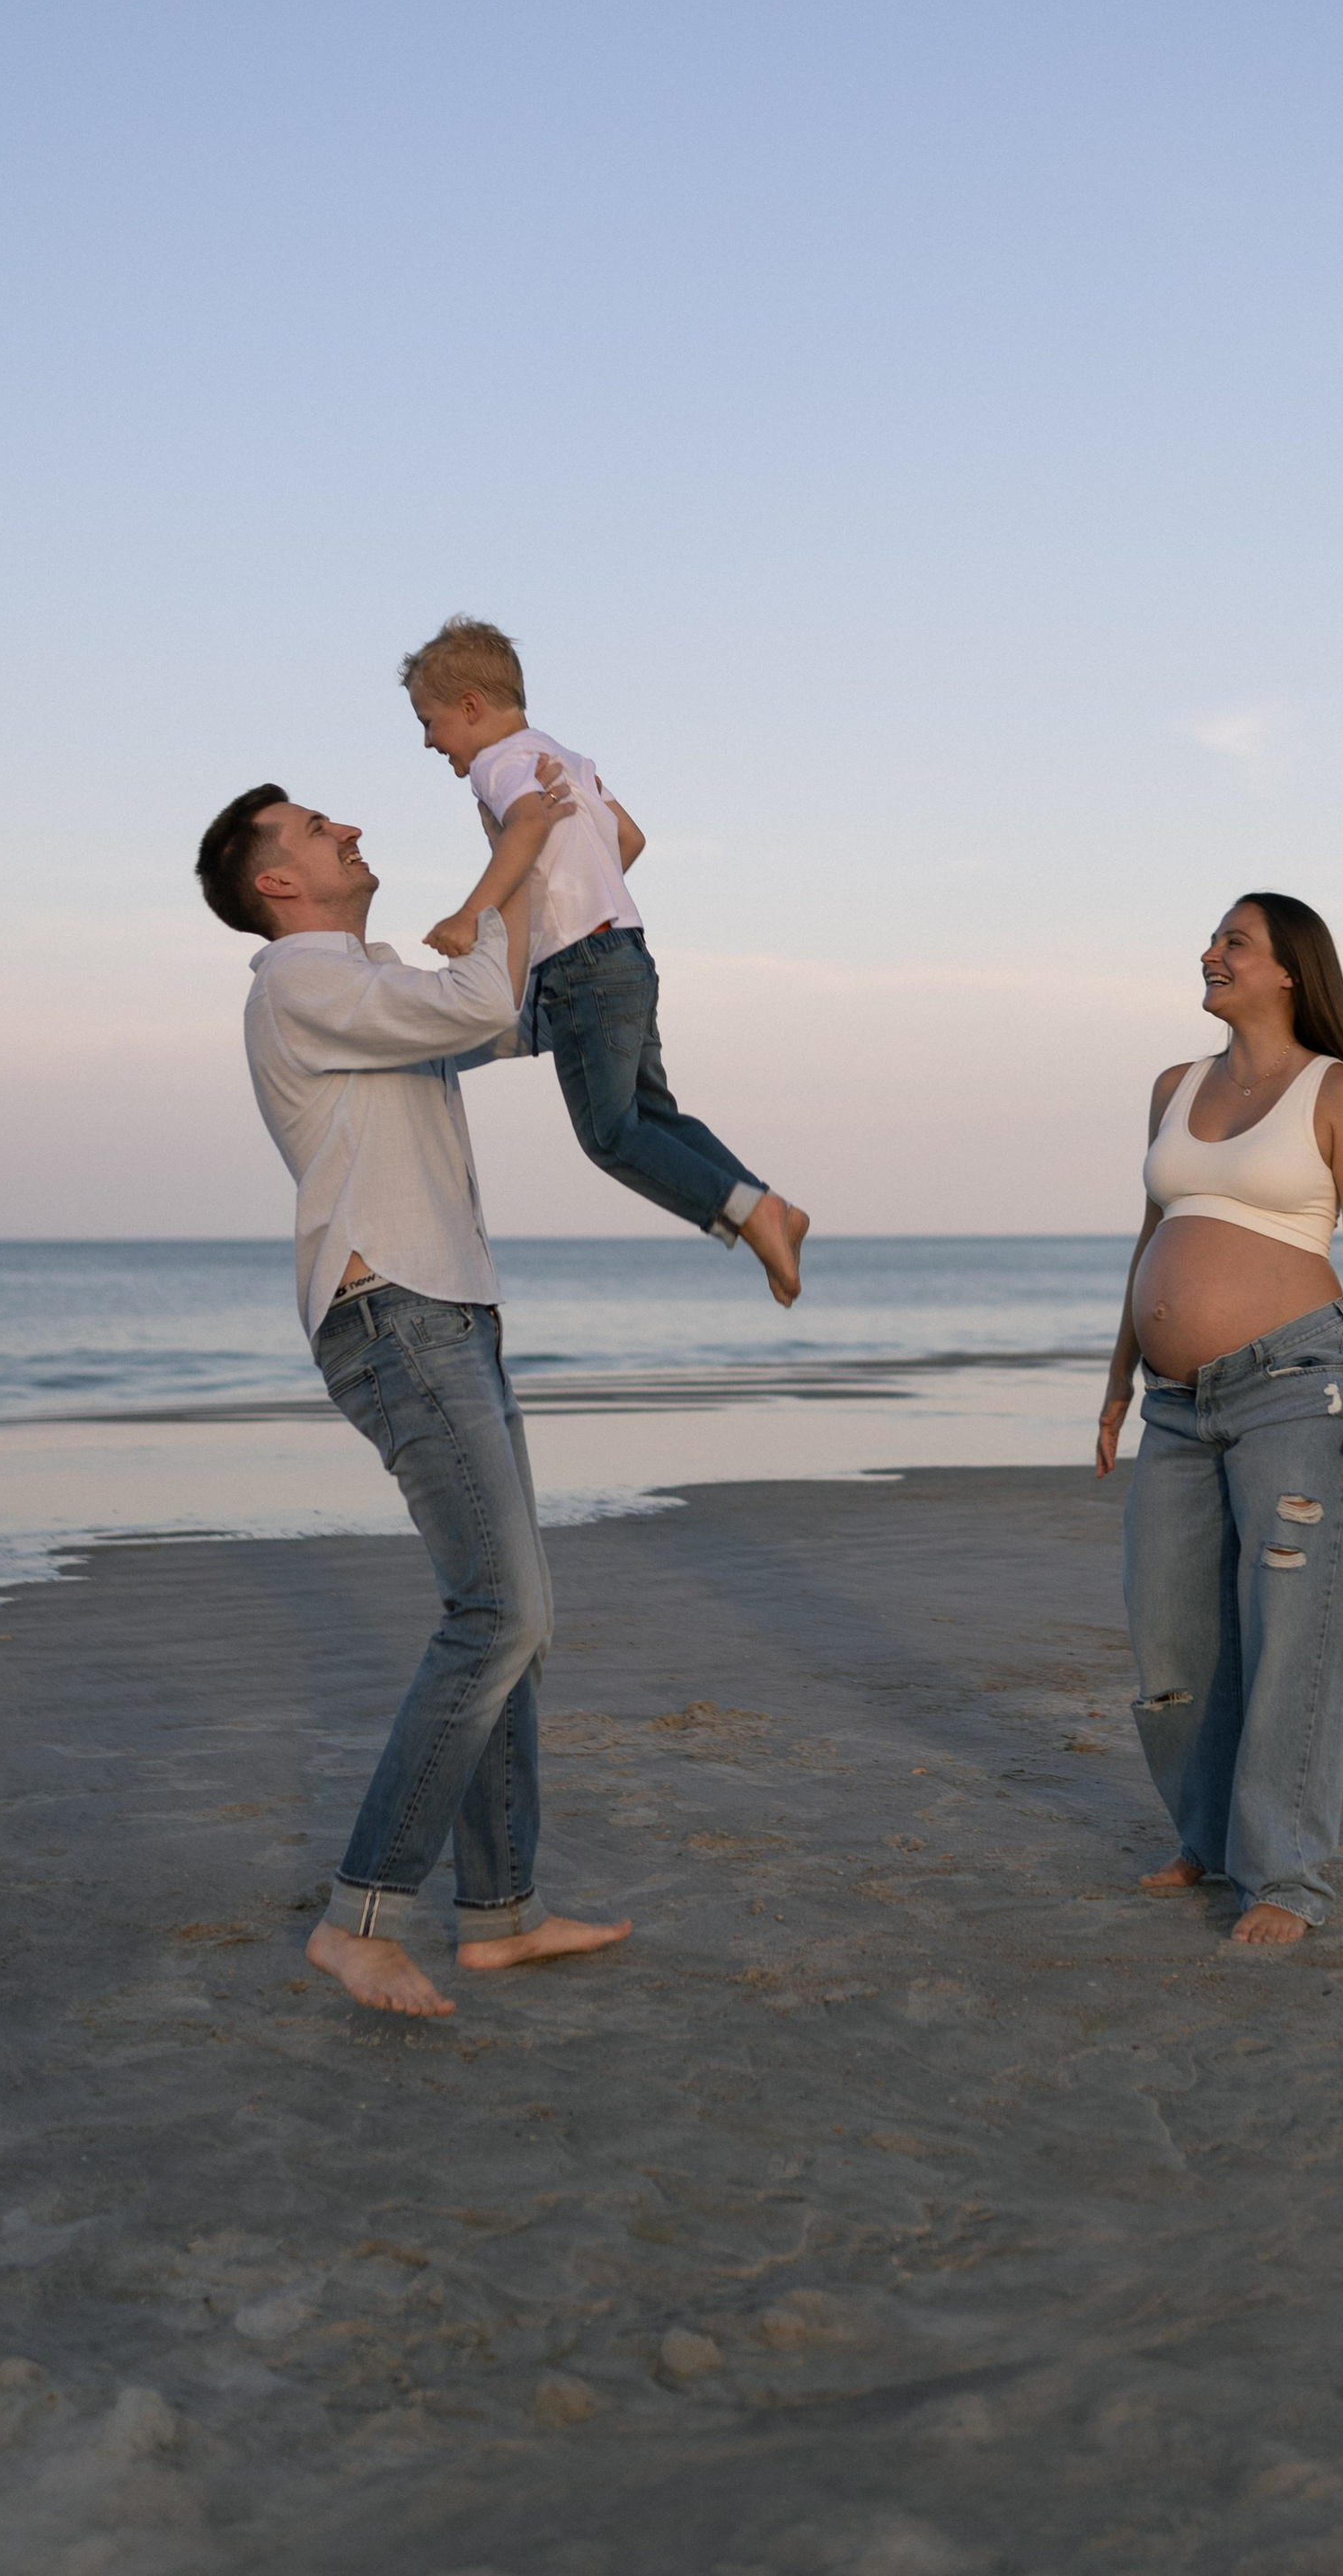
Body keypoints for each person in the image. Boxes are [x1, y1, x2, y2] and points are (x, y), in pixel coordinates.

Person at [194, 771, 632, 2020]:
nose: (351, 830)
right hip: (396, 1315)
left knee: (513, 1618)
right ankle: (363, 1915)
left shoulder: (369, 977)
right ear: (278, 883)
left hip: (446, 1311)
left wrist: (584, 874)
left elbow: (514, 1014)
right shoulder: (301, 980)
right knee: (499, 1613)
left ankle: (500, 1915)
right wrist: (515, 848)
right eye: (321, 831)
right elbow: (481, 991)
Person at [1095, 895, 1343, 1948]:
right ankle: (1210, 1838)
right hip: (1179, 1407)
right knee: (1171, 1630)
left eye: (1234, 942)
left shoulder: (1337, 1093)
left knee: (1288, 1636)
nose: (1210, 954)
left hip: (1298, 1385)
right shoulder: (1173, 1088)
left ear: (1286, 972)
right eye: (1213, 939)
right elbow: (1151, 1235)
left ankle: (1286, 1880)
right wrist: (1119, 1377)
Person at [400, 615, 810, 1307]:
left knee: (611, 1134)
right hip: (626, 949)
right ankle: (763, 1204)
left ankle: (753, 1213)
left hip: (582, 966)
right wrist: (579, 892)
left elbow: (529, 824)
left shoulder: (499, 764)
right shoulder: (569, 757)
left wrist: (472, 914)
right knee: (653, 1113)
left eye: (429, 721)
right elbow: (630, 837)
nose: (428, 740)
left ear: (470, 706)